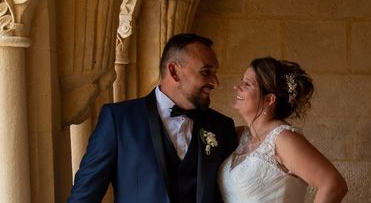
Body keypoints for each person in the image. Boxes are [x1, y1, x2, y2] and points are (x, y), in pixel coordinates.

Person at [68, 33, 237, 203]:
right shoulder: (118, 120)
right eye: (206, 72)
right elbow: (84, 197)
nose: (215, 82)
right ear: (174, 72)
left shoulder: (222, 126)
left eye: (215, 73)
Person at [218, 57, 348, 203]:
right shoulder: (240, 135)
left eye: (247, 84)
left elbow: (334, 185)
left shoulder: (283, 139)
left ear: (269, 100)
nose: (238, 87)